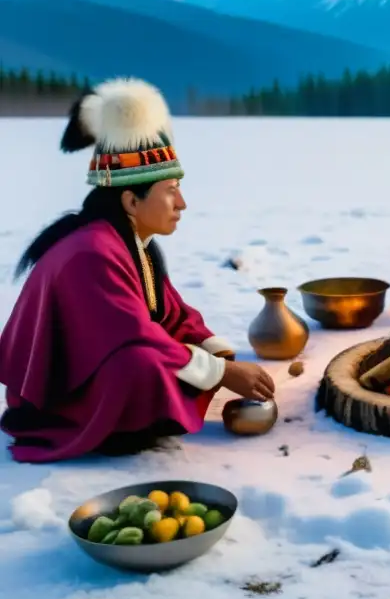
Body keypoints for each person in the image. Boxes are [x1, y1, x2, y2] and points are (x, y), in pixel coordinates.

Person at [0, 78, 275, 463]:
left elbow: (171, 313)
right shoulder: (92, 252)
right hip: (62, 402)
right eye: (170, 190)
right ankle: (112, 430)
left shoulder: (130, 244)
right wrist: (223, 373)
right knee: (140, 365)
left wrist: (218, 354)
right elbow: (135, 331)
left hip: (92, 374)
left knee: (163, 354)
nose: (182, 203)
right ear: (131, 200)